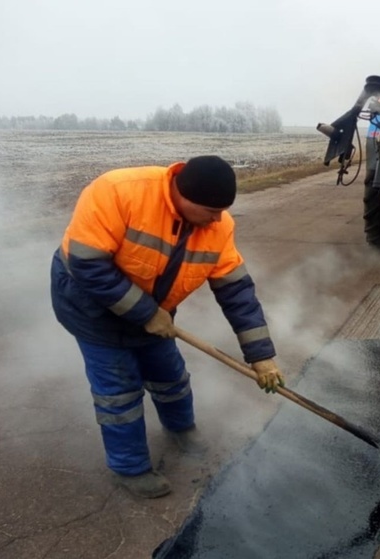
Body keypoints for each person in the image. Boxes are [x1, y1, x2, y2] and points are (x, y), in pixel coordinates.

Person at [50, 155, 285, 498]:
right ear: (183, 196)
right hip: (90, 306)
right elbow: (88, 265)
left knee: (169, 374)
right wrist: (146, 314)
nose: (218, 219)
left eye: (222, 211)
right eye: (211, 211)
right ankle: (129, 469)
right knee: (120, 391)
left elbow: (237, 293)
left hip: (153, 307)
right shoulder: (118, 192)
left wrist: (261, 356)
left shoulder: (217, 226)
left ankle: (180, 429)